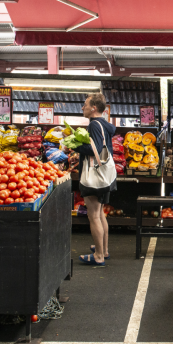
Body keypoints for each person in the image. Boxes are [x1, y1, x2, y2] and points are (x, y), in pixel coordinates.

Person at [72, 93, 116, 266]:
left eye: (85, 104)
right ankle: (103, 250)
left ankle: (98, 256)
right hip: (105, 176)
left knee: (94, 216)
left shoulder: (95, 125)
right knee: (100, 214)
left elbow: (95, 150)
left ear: (94, 108)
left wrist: (75, 145)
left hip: (95, 177)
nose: (83, 108)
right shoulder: (105, 125)